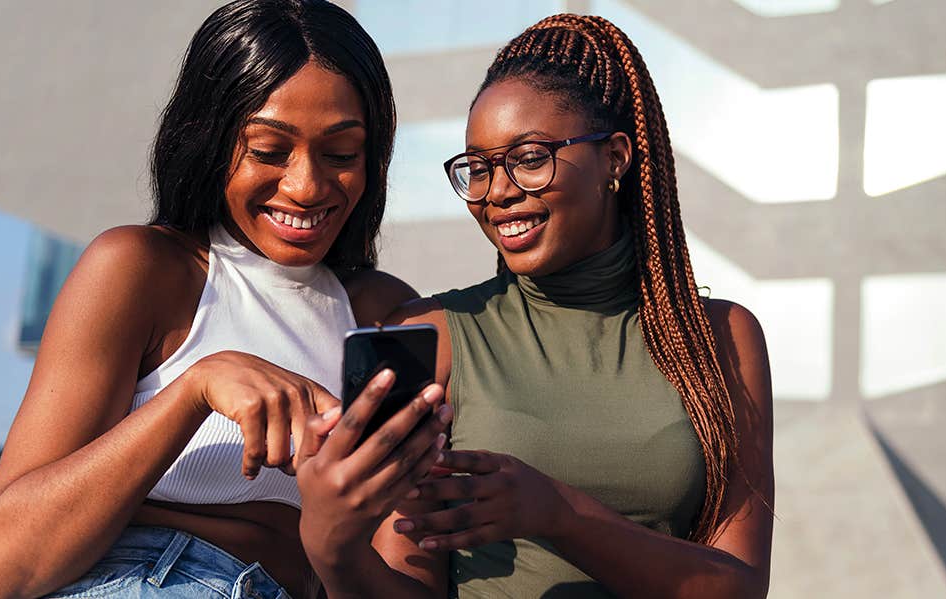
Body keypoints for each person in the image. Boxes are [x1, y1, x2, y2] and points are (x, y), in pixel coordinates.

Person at [0, 1, 451, 597]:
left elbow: (408, 579)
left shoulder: (387, 316)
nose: (307, 187)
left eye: (341, 154)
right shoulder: (142, 270)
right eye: (269, 150)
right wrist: (195, 389)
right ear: (209, 141)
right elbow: (1, 568)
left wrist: (340, 528)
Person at [296, 13, 774, 599]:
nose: (496, 192)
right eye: (477, 167)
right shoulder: (434, 336)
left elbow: (740, 589)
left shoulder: (718, 338)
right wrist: (332, 548)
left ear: (615, 159)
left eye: (528, 158)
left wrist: (560, 516)